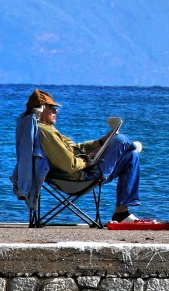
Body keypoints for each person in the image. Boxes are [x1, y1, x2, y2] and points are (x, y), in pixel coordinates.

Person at [25, 88, 144, 223]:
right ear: (40, 111)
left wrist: (101, 142)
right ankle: (131, 146)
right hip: (78, 178)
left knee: (131, 156)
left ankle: (121, 213)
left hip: (75, 173)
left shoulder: (42, 128)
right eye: (51, 108)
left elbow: (75, 148)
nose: (55, 111)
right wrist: (90, 157)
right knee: (121, 140)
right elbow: (71, 165)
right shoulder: (45, 132)